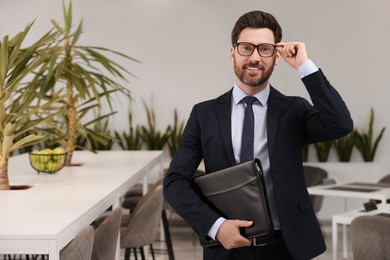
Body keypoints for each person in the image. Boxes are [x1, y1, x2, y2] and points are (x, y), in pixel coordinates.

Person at [163, 10, 353, 260]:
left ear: (276, 57)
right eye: (246, 48)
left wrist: (305, 66)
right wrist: (216, 227)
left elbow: (340, 124)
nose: (254, 57)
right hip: (227, 246)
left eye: (264, 49)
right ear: (232, 52)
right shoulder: (204, 114)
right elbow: (175, 182)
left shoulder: (293, 110)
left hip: (286, 247)